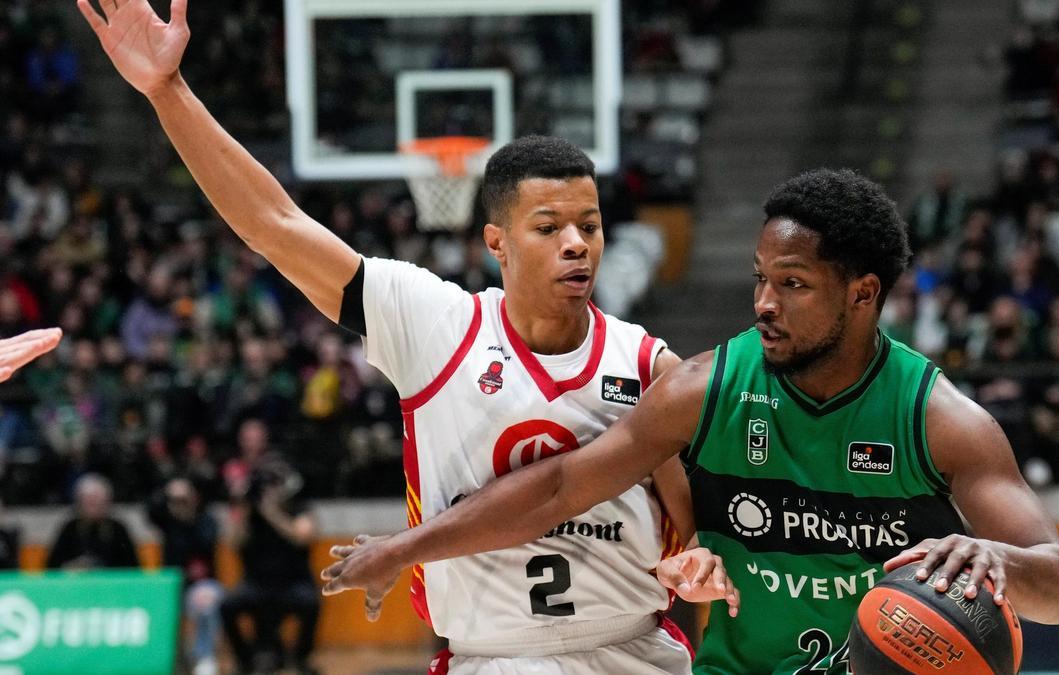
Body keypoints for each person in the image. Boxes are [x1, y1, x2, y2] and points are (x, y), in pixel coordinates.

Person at [78, 2, 717, 673]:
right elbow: (273, 223)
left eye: (589, 225)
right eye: (549, 226)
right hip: (491, 656)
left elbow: (700, 534)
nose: (575, 244)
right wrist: (167, 91)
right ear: (496, 241)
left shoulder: (646, 362)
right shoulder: (435, 323)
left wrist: (704, 558)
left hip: (637, 650)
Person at [321, 170, 1059, 674]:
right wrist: (404, 547)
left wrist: (992, 558)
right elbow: (556, 487)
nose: (762, 303)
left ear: (862, 293)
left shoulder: (942, 420)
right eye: (760, 280)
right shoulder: (704, 388)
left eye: (792, 284)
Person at [221, 455, 319, 674]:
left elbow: (302, 536)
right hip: (257, 582)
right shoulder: (250, 513)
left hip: (293, 582)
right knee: (227, 606)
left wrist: (272, 512)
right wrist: (244, 507)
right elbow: (232, 542)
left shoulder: (298, 507)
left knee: (311, 603)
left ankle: (301, 658)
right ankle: (245, 660)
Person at [145, 477, 222, 675]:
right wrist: (166, 493)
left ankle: (204, 657)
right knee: (159, 607)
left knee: (205, 600)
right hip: (172, 585)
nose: (179, 504)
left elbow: (206, 543)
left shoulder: (206, 520)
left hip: (201, 584)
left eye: (184, 499)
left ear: (195, 498)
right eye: (175, 501)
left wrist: (188, 517)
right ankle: (175, 658)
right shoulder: (167, 521)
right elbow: (150, 510)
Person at [46, 473, 140, 570]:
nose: (93, 506)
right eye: (89, 501)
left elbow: (133, 567)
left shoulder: (118, 529)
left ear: (107, 502)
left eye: (97, 501)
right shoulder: (70, 528)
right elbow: (52, 567)